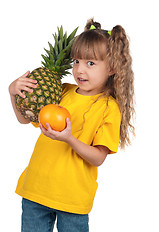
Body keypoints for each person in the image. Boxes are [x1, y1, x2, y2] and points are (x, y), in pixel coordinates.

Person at [9, 18, 135, 232]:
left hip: (72, 199)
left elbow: (98, 157)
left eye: (90, 63)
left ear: (113, 67)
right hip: (35, 190)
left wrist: (69, 138)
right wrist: (12, 92)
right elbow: (25, 119)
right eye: (76, 61)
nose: (79, 70)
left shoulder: (108, 107)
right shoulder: (61, 91)